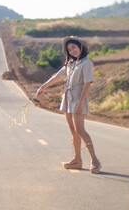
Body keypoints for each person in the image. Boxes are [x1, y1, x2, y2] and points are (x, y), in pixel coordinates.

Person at [35, 36, 101, 173]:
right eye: (69, 49)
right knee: (73, 131)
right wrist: (43, 87)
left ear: (80, 47)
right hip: (68, 97)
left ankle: (95, 160)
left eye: (74, 47)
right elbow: (57, 77)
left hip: (78, 97)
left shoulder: (86, 63)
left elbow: (88, 83)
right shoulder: (71, 64)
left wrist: (81, 103)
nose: (72, 51)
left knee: (80, 130)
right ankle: (77, 160)